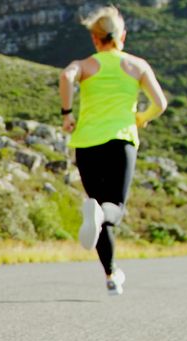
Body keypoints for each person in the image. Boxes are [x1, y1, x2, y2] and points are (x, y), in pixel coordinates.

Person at [59, 6, 167, 296]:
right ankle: (110, 272)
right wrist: (142, 118)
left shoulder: (84, 65)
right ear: (123, 36)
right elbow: (160, 104)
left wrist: (67, 113)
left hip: (86, 144)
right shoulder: (137, 66)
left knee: (97, 209)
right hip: (120, 142)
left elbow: (66, 77)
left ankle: (110, 275)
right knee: (112, 209)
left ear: (95, 40)